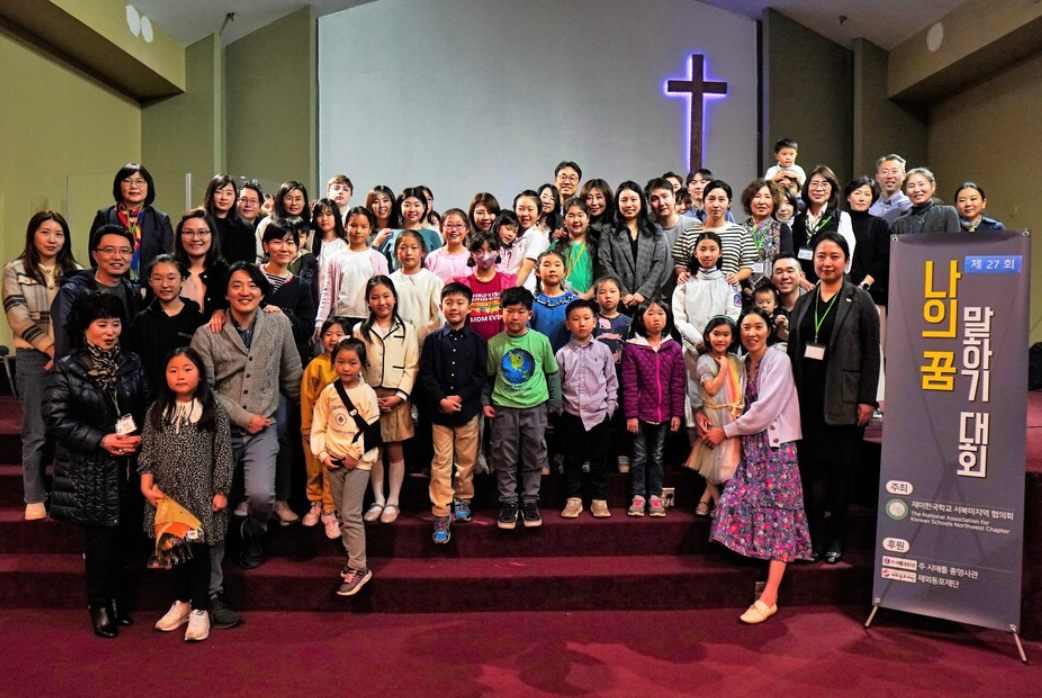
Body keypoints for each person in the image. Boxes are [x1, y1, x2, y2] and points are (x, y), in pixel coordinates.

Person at [190, 262, 302, 619]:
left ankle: (251, 533)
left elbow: (292, 374)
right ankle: (212, 590)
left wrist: (314, 419)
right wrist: (241, 417)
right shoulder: (207, 333)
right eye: (237, 286)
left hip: (264, 427)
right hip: (220, 430)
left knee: (261, 497)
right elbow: (202, 388)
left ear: (261, 290)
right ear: (225, 293)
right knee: (216, 505)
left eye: (252, 286)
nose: (245, 292)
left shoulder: (278, 323)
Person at [43, 292, 152, 638]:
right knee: (100, 541)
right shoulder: (68, 367)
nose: (110, 331)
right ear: (85, 328)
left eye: (115, 323)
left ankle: (118, 599)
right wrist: (102, 440)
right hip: (90, 468)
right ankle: (100, 605)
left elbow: (149, 405)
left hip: (129, 465)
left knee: (124, 538)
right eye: (101, 324)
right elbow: (56, 419)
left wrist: (141, 438)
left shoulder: (132, 361)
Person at [702, 306, 812, 624]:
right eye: (746, 327)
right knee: (737, 503)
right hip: (748, 448)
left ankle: (770, 595)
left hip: (776, 449)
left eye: (758, 326)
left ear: (768, 329)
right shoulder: (742, 363)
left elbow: (764, 412)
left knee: (779, 516)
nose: (752, 332)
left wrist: (725, 431)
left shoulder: (778, 359)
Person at [787, 232, 880, 564]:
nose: (826, 262)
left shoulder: (860, 300)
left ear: (846, 262)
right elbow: (792, 350)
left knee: (839, 474)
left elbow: (872, 353)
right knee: (811, 472)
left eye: (834, 256)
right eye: (821, 256)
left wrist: (867, 399)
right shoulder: (804, 301)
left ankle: (837, 538)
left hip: (844, 399)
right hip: (806, 399)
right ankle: (814, 537)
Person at [139, 347, 233, 643]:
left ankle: (201, 608)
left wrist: (221, 490)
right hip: (167, 496)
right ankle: (181, 602)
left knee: (200, 553)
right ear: (165, 375)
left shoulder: (212, 408)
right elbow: (148, 452)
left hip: (200, 495)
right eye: (173, 370)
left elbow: (223, 452)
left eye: (187, 369)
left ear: (201, 374)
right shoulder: (156, 410)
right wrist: (145, 484)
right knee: (175, 552)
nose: (180, 375)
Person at [4, 211, 82, 520]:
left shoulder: (75, 271)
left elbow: (80, 317)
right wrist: (49, 347)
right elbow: (16, 315)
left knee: (68, 428)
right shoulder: (16, 269)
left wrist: (63, 350)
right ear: (33, 235)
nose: (52, 239)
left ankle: (66, 495)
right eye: (45, 232)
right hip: (32, 356)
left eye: (58, 233)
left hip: (69, 356)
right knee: (36, 429)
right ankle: (34, 496)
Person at [483, 286, 561, 530]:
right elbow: (489, 376)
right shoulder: (494, 343)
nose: (514, 317)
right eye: (509, 311)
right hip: (504, 408)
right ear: (501, 313)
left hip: (535, 407)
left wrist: (555, 402)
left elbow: (552, 372)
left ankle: (529, 501)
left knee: (534, 455)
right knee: (504, 456)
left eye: (520, 312)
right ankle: (508, 502)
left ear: (530, 314)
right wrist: (486, 402)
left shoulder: (540, 341)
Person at [310, 337, 381, 597]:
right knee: (341, 515)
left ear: (362, 365)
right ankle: (352, 558)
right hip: (334, 460)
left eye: (352, 363)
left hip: (359, 462)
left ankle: (359, 566)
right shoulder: (329, 392)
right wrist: (323, 454)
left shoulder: (366, 393)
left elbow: (373, 429)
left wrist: (354, 453)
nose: (346, 368)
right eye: (341, 362)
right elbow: (320, 425)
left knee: (351, 514)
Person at [420, 282, 487, 543]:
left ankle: (463, 498)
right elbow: (426, 374)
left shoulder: (478, 341)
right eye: (449, 303)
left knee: (466, 460)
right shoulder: (433, 340)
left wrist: (460, 397)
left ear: (470, 307)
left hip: (468, 411)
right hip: (440, 412)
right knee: (441, 462)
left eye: (460, 303)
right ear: (441, 307)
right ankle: (440, 510)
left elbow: (480, 375)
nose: (454, 307)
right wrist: (442, 399)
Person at [354, 276, 419, 524]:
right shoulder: (359, 330)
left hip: (396, 399)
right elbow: (356, 366)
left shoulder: (408, 329)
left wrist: (399, 397)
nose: (382, 302)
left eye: (386, 296)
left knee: (394, 448)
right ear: (368, 302)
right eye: (375, 297)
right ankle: (378, 499)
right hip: (369, 398)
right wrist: (366, 396)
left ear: (394, 298)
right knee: (374, 450)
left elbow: (412, 366)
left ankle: (394, 501)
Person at [621, 298, 684, 517]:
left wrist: (677, 413)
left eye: (660, 313)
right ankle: (638, 495)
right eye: (650, 313)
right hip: (639, 414)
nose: (656, 318)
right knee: (638, 456)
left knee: (657, 456)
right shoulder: (632, 347)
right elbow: (629, 385)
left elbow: (678, 384)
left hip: (664, 413)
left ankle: (655, 496)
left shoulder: (674, 348)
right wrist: (631, 415)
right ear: (640, 319)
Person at [556, 299, 618, 519]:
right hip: (571, 414)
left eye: (586, 318)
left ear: (595, 322)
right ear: (567, 324)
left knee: (599, 460)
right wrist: (561, 411)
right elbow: (558, 384)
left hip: (599, 414)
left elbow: (611, 382)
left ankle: (599, 499)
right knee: (572, 460)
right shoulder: (562, 354)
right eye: (575, 319)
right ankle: (573, 499)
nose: (581, 323)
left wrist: (609, 409)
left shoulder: (603, 350)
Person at [51, 224, 140, 359]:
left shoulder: (132, 291)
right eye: (109, 250)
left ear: (132, 256)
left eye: (124, 251)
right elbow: (64, 343)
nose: (117, 257)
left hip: (122, 370)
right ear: (95, 255)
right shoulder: (73, 291)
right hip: (83, 370)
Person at [687, 316, 744, 516]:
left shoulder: (737, 359)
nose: (721, 339)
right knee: (713, 459)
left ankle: (706, 500)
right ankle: (719, 502)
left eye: (726, 335)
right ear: (708, 337)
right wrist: (724, 369)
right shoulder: (705, 360)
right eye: (716, 334)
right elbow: (710, 389)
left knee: (727, 460)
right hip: (714, 413)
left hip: (732, 415)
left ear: (733, 338)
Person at [300, 316, 351, 539]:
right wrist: (307, 428)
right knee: (313, 469)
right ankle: (315, 503)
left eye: (339, 334)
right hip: (315, 430)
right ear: (320, 338)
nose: (333, 339)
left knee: (332, 470)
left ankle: (330, 509)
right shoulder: (315, 365)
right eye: (328, 334)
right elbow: (306, 398)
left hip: (339, 433)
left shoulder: (349, 366)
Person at [126, 255, 205, 390]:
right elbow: (132, 363)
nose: (165, 284)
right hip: (151, 396)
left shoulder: (197, 320)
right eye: (157, 278)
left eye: (171, 278)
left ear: (182, 280)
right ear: (150, 282)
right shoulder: (142, 321)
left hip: (190, 395)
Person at [89, 163, 173, 278]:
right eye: (127, 181)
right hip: (113, 285)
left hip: (149, 287)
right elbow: (95, 255)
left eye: (139, 181)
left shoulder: (161, 219)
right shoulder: (104, 216)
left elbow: (166, 258)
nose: (133, 186)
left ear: (148, 186)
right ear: (119, 185)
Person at [597, 181, 669, 312]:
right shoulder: (608, 230)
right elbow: (605, 263)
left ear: (641, 202)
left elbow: (659, 263)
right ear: (617, 204)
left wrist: (643, 293)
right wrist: (623, 293)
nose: (628, 204)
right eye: (623, 200)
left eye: (633, 199)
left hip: (649, 300)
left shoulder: (655, 229)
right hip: (619, 300)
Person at [315, 206, 389, 331]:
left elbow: (385, 292)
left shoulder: (378, 258)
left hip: (370, 318)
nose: (358, 231)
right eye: (353, 225)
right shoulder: (335, 258)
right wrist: (320, 321)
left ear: (370, 229)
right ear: (345, 226)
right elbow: (328, 293)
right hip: (341, 318)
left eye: (363, 227)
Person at [673, 180, 756, 288]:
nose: (716, 204)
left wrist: (737, 276)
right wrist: (682, 273)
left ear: (729, 203)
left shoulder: (740, 233)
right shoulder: (690, 233)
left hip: (729, 294)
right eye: (711, 199)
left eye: (721, 199)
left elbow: (748, 266)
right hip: (696, 294)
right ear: (704, 202)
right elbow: (680, 264)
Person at [672, 232, 741, 355]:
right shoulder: (685, 283)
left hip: (723, 348)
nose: (707, 254)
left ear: (720, 253)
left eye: (712, 249)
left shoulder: (730, 283)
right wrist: (698, 341)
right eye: (702, 249)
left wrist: (717, 340)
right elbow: (679, 319)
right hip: (691, 350)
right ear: (695, 253)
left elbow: (733, 315)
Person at [844, 177, 891, 350]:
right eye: (857, 193)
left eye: (867, 194)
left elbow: (884, 258)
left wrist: (864, 284)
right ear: (848, 197)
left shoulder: (880, 224)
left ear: (872, 198)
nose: (862, 198)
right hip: (842, 294)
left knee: (874, 349)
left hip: (873, 295)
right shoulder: (840, 222)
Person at [592, 275, 632, 473]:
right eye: (602, 292)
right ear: (595, 297)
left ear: (621, 295)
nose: (608, 296)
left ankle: (623, 454)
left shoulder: (628, 323)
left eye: (612, 291)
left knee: (622, 417)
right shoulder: (591, 322)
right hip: (596, 380)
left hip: (622, 377)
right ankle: (591, 455)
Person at [791, 166, 856, 286]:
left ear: (832, 189)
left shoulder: (841, 218)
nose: (819, 188)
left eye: (825, 184)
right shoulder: (797, 218)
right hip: (801, 284)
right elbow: (791, 253)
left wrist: (827, 280)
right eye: (814, 183)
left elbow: (847, 255)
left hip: (832, 283)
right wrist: (801, 280)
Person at [457, 231, 517, 342]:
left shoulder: (508, 282)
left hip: (502, 345)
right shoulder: (463, 284)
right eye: (479, 251)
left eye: (490, 250)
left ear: (498, 252)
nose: (485, 255)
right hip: (471, 347)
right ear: (472, 254)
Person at [170, 209, 229, 321]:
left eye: (202, 232)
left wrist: (221, 311)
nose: (195, 238)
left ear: (212, 236)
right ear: (179, 236)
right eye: (188, 232)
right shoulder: (167, 268)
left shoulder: (225, 272)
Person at [390, 230, 444, 347]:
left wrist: (423, 336)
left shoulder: (433, 281)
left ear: (423, 252)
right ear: (396, 252)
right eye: (403, 248)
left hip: (426, 344)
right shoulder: (389, 282)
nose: (408, 253)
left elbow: (439, 317)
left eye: (414, 248)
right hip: (395, 343)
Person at [741, 179, 794, 296]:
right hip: (744, 294)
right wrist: (745, 289)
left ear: (774, 201)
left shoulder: (782, 229)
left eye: (767, 197)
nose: (762, 201)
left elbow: (787, 263)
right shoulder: (740, 230)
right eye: (757, 196)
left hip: (774, 295)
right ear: (749, 201)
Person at [376, 187, 442, 267]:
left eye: (417, 205)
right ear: (399, 207)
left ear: (424, 208)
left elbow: (438, 266)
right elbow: (379, 264)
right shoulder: (389, 234)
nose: (412, 209)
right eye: (407, 205)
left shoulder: (432, 235)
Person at [531, 249, 579, 352]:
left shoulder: (575, 303)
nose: (552, 269)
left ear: (564, 271)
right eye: (547, 265)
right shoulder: (532, 303)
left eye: (557, 265)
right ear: (537, 271)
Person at [891, 167, 961, 235]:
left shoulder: (947, 213)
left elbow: (955, 244)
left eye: (921, 184)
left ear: (933, 187)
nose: (917, 190)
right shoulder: (899, 224)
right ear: (906, 191)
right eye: (911, 186)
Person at [203, 174, 255, 265]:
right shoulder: (200, 223)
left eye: (229, 193)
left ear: (235, 197)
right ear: (211, 194)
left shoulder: (246, 228)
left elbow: (249, 264)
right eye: (219, 192)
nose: (224, 197)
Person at [551, 198, 597, 297]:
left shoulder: (594, 246)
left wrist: (588, 296)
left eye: (580, 215)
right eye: (571, 216)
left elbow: (601, 276)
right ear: (564, 220)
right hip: (558, 298)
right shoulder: (557, 243)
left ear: (588, 218)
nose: (576, 220)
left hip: (585, 300)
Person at [256, 181, 309, 261]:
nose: (294, 203)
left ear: (304, 202)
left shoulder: (309, 225)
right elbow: (258, 256)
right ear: (281, 200)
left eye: (298, 199)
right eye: (289, 198)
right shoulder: (267, 223)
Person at [513, 190, 550, 291]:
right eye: (520, 209)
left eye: (530, 209)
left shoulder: (535, 235)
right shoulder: (514, 236)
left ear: (538, 214)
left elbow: (526, 268)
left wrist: (507, 293)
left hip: (521, 293)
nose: (525, 214)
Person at [426, 209, 472, 282]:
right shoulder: (432, 258)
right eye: (449, 225)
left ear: (467, 230)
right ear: (441, 229)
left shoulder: (473, 257)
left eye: (459, 225)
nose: (454, 229)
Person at [868, 154, 911, 224]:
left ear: (904, 175)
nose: (889, 176)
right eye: (884, 172)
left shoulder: (910, 205)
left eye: (895, 171)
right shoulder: (870, 206)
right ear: (877, 177)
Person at [309, 197, 349, 265]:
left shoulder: (344, 243)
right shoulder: (310, 241)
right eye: (319, 215)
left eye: (328, 214)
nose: (324, 219)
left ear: (336, 216)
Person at [580, 178, 616, 243]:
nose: (594, 203)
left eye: (599, 197)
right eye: (589, 198)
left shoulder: (616, 225)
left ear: (607, 199)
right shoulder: (577, 226)